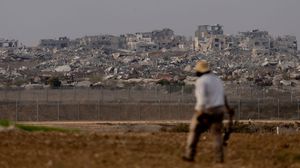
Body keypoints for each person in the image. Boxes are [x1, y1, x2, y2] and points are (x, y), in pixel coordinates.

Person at [182, 60, 232, 163]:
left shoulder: (201, 81)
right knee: (217, 134)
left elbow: (202, 98)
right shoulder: (217, 80)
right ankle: (219, 158)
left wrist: (200, 112)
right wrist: (228, 108)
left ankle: (189, 154)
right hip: (219, 110)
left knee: (194, 130)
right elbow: (223, 95)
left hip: (206, 110)